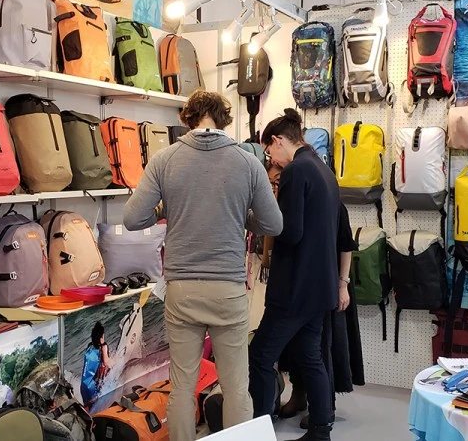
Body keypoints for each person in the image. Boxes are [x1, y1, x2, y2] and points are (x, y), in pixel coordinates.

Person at [123, 90, 283, 441]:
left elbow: (133, 218)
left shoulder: (165, 159)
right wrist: (243, 217)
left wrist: (166, 209)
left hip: (182, 289)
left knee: (182, 386)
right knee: (236, 387)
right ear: (223, 119)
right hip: (228, 290)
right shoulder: (247, 162)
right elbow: (273, 224)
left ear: (188, 118)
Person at [248, 108, 341, 441]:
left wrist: (259, 219)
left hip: (294, 288)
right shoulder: (323, 170)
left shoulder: (296, 171)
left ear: (277, 141)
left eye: (269, 152)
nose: (271, 161)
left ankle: (258, 432)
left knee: (260, 357)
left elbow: (290, 232)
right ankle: (320, 430)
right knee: (310, 357)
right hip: (320, 286)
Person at [279, 203, 360, 429]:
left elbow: (346, 245)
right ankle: (298, 395)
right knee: (296, 343)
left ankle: (326, 407)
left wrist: (342, 284)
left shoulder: (335, 204)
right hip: (301, 284)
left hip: (329, 284)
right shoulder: (295, 201)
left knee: (325, 347)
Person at [81, 321, 113, 409]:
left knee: (90, 408)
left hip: (84, 388)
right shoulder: (103, 346)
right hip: (95, 388)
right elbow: (107, 362)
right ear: (101, 337)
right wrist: (118, 361)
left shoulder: (89, 347)